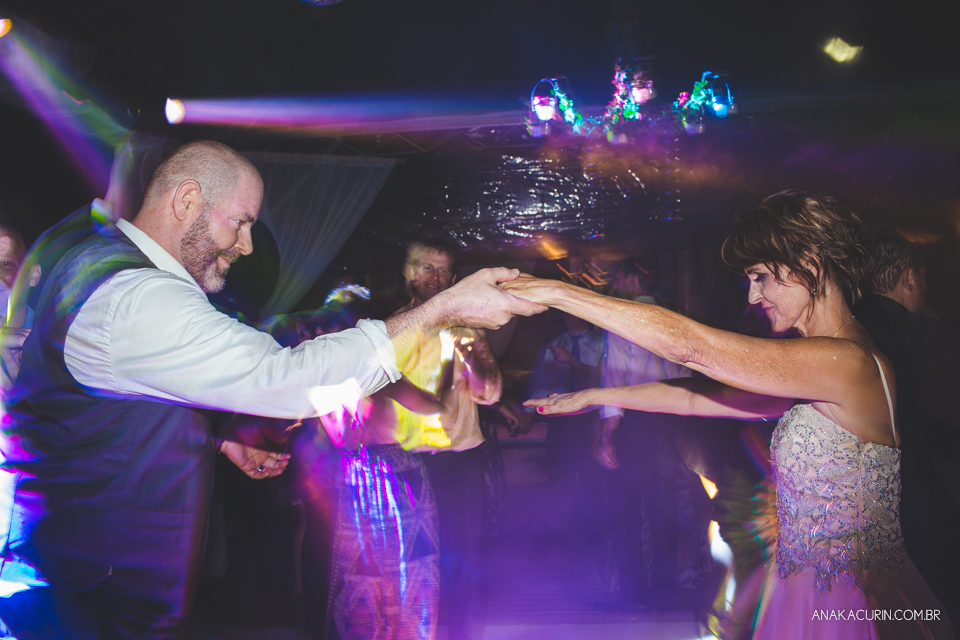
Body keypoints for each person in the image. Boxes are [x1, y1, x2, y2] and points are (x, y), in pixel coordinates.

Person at [0, 140, 544, 639]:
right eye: (240, 222)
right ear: (187, 200)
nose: (247, 244)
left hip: (87, 569)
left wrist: (212, 438)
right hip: (89, 583)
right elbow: (285, 379)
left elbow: (109, 396)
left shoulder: (108, 268)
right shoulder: (137, 293)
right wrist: (440, 312)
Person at [509, 190, 953, 639]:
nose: (754, 294)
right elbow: (697, 397)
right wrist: (597, 395)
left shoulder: (844, 360)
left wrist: (557, 291)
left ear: (810, 262)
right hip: (806, 582)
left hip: (846, 596)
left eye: (761, 276)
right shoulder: (818, 366)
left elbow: (691, 348)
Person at [393, 239, 502, 640]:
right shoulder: (392, 328)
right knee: (412, 557)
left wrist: (469, 357)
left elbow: (491, 392)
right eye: (426, 268)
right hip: (405, 462)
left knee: (464, 554)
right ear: (409, 272)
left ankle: (463, 634)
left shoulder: (467, 329)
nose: (435, 278)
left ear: (454, 280)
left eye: (443, 271)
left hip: (458, 459)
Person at [854, 227, 960, 628]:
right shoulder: (925, 339)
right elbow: (913, 421)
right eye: (925, 279)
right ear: (910, 279)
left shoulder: (852, 329)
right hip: (921, 503)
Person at [597, 258, 696, 611]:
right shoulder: (672, 318)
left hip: (635, 422)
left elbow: (615, 378)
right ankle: (666, 594)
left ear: (632, 278)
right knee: (663, 509)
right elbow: (685, 373)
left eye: (617, 278)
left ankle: (633, 593)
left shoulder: (622, 317)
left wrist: (609, 433)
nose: (614, 285)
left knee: (624, 511)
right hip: (668, 420)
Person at [526, 311, 603, 533]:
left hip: (590, 418)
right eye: (565, 313)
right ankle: (562, 527)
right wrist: (529, 411)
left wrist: (571, 360)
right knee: (559, 470)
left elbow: (601, 381)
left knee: (591, 473)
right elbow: (544, 381)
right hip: (560, 419)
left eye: (573, 312)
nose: (568, 316)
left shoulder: (600, 345)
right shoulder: (554, 344)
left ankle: (592, 528)